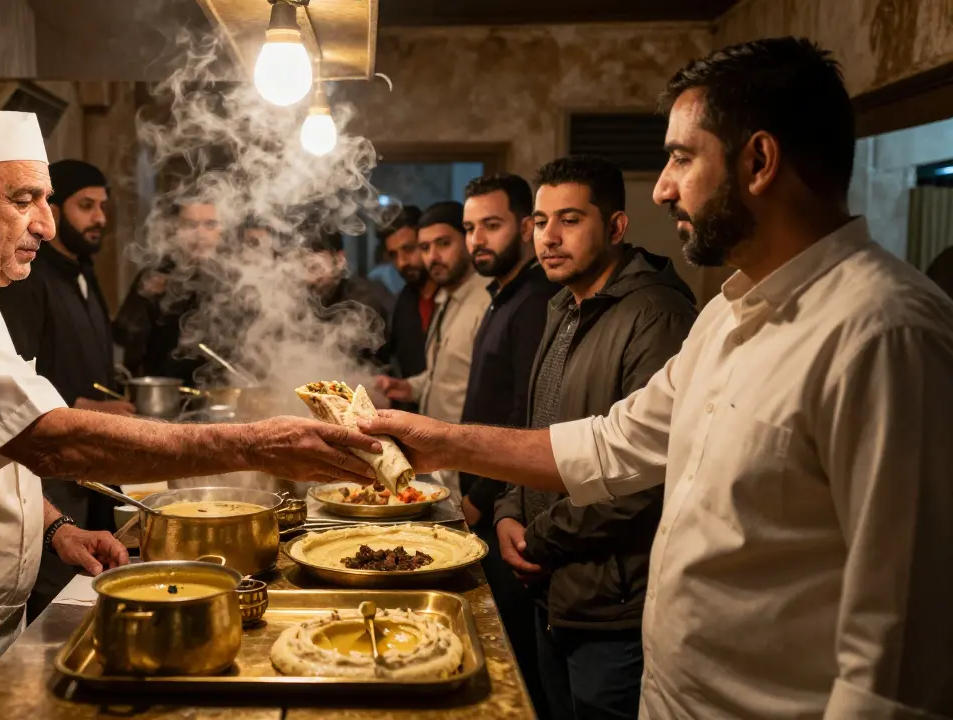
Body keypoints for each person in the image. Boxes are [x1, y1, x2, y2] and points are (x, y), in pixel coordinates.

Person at [361, 38, 953, 719]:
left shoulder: (884, 333)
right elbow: (611, 445)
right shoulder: (728, 313)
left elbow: (898, 669)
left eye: (680, 157)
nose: (663, 186)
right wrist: (434, 442)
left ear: (758, 161)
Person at [0, 111, 380, 720]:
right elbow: (48, 442)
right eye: (26, 199)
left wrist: (54, 528)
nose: (47, 223)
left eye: (49, 199)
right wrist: (254, 446)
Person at [496, 155, 697, 720]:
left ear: (615, 227)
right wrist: (509, 509)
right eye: (539, 221)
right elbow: (538, 429)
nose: (549, 238)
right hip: (553, 590)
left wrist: (538, 539)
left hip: (612, 607)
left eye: (570, 220)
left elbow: (647, 477)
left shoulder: (657, 315)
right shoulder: (563, 304)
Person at [0, 159, 137, 622]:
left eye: (103, 207)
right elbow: (17, 379)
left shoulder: (82, 270)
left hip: (84, 462)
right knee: (55, 602)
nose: (99, 217)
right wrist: (85, 404)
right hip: (49, 470)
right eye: (85, 206)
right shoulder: (28, 278)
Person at [457, 172, 559, 710]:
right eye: (470, 227)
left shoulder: (536, 300)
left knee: (517, 663)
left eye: (491, 226)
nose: (477, 239)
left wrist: (479, 498)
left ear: (524, 228)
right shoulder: (502, 296)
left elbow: (526, 417)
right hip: (489, 500)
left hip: (506, 508)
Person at [374, 201, 488, 427]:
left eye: (443, 244)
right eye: (425, 248)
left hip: (470, 446)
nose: (433, 257)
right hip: (438, 444)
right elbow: (445, 377)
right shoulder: (436, 298)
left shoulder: (488, 299)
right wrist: (409, 388)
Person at [114, 201, 223, 385]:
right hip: (164, 394)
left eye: (210, 224)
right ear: (175, 229)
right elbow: (123, 336)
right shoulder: (157, 273)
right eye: (190, 225)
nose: (200, 234)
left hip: (224, 393)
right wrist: (145, 299)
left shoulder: (233, 278)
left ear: (222, 230)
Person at [303, 228, 394, 367]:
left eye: (316, 268)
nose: (310, 279)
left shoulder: (368, 298)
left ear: (340, 261)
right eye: (303, 268)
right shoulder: (301, 299)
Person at [379, 205, 430, 409]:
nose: (402, 262)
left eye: (409, 249)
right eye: (393, 255)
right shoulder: (405, 300)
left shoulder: (454, 298)